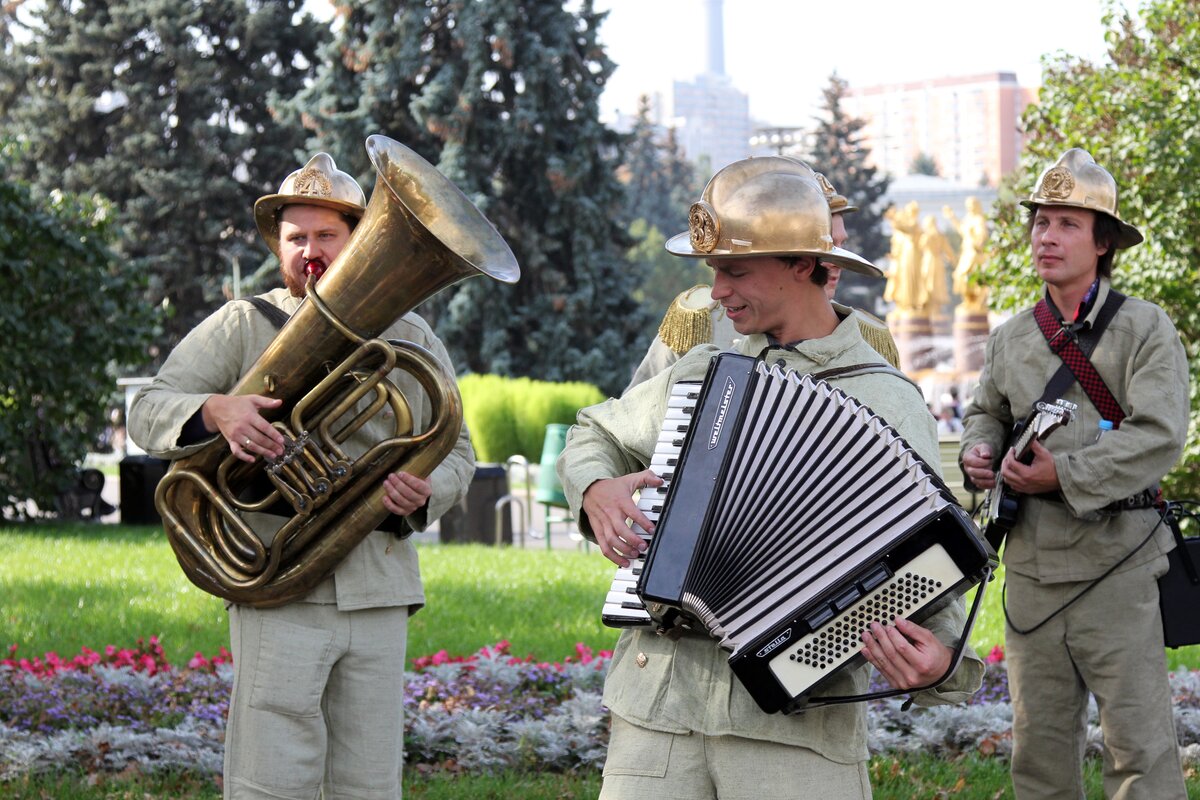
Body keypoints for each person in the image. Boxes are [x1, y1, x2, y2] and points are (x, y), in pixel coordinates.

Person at [559, 156, 983, 799]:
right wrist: (596, 488)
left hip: (792, 731)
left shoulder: (888, 400)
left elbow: (928, 559)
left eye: (735, 271)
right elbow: (594, 431)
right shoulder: (701, 371)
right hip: (657, 708)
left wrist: (944, 665)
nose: (717, 292)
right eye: (714, 272)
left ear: (803, 265)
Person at [128, 152, 474, 800]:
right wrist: (216, 410)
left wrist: (427, 490)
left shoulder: (412, 333)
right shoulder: (243, 323)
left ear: (357, 239)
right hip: (275, 580)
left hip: (378, 585)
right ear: (278, 247)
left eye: (326, 235)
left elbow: (458, 449)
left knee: (368, 782)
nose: (310, 251)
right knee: (271, 777)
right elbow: (147, 408)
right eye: (296, 238)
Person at [958, 148, 1189, 799]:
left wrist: (1061, 475)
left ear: (1103, 241)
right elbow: (985, 414)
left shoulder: (1144, 329)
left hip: (1118, 565)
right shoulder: (1010, 338)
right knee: (1039, 754)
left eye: (1067, 224)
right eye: (1041, 222)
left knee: (1139, 750)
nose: (1047, 237)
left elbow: (1160, 434)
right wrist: (979, 452)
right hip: (1033, 572)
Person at [623, 169, 898, 391]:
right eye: (821, 247)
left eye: (838, 246)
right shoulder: (701, 321)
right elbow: (635, 423)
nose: (833, 261)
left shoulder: (866, 337)